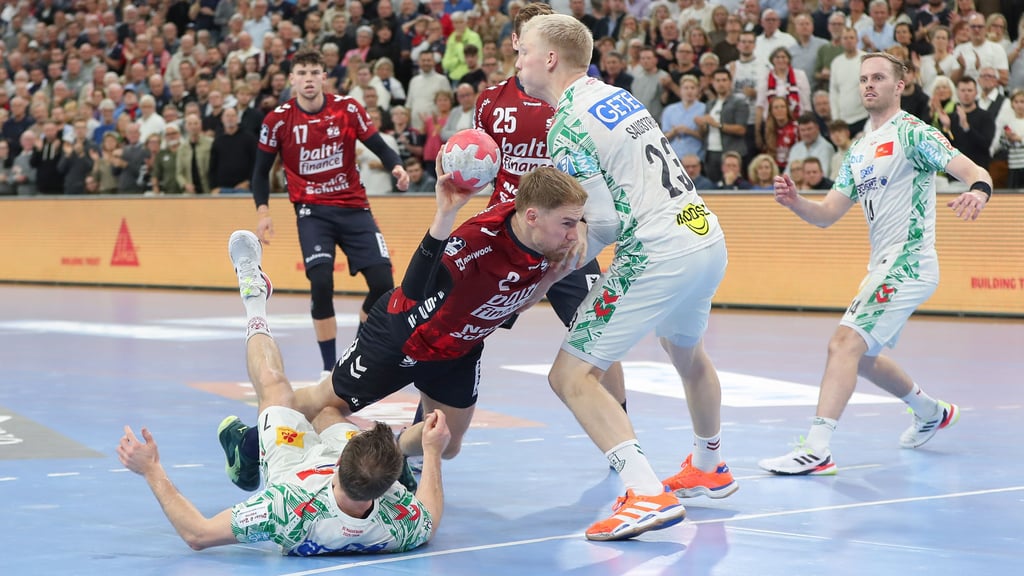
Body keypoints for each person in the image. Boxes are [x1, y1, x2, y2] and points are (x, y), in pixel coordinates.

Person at [220, 166, 589, 493]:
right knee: (326, 401)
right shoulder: (476, 245)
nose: (575, 234)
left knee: (447, 442)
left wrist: (554, 276)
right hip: (402, 337)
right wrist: (444, 213)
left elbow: (518, 302)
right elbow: (413, 290)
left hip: (459, 350)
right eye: (569, 224)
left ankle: (389, 456)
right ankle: (247, 445)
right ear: (532, 216)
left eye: (578, 222)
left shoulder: (549, 245)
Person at [516, 14, 737, 542]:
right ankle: (709, 464)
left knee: (569, 376)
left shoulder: (566, 121)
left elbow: (607, 222)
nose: (518, 60)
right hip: (703, 233)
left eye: (522, 50)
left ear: (550, 58)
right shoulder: (614, 96)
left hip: (658, 248)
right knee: (686, 351)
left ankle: (644, 492)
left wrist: (541, 279)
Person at [118, 230, 450, 555]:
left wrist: (151, 469)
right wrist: (432, 452)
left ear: (336, 467)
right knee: (329, 409)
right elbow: (431, 519)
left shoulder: (286, 508)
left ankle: (254, 299)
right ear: (385, 490)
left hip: (292, 463)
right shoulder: (400, 523)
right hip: (353, 477)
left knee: (275, 384)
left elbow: (198, 533)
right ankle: (246, 444)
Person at [760, 52, 992, 476]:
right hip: (882, 263)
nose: (868, 84)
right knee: (862, 358)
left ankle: (817, 448)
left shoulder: (914, 133)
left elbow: (975, 170)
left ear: (899, 85)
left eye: (879, 77)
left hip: (910, 260)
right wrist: (796, 203)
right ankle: (930, 412)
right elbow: (828, 214)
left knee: (842, 344)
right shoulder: (859, 149)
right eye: (864, 78)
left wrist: (978, 192)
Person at [472, 0, 627, 411]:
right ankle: (428, 427)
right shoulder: (489, 102)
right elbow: (481, 161)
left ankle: (623, 423)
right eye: (528, 39)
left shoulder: (572, 99)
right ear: (517, 42)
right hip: (509, 233)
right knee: (461, 327)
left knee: (595, 330)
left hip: (564, 233)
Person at [251, 47, 410, 390]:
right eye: (302, 73)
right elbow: (260, 173)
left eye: (314, 73)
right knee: (321, 282)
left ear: (325, 77)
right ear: (292, 79)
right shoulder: (277, 120)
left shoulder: (348, 109)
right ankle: (327, 368)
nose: (308, 79)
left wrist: (395, 164)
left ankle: (361, 345)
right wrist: (263, 212)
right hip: (312, 212)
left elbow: (377, 144)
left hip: (354, 207)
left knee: (384, 284)